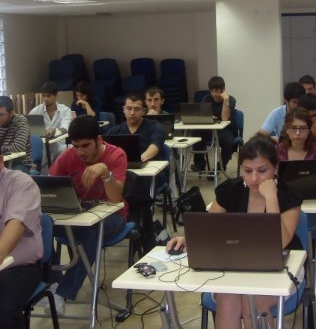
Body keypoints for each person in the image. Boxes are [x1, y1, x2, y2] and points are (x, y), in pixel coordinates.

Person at [166, 135, 302, 329]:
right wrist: (187, 238)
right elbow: (208, 227)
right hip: (235, 264)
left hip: (282, 266)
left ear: (276, 168)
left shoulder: (289, 195)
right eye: (247, 170)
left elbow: (280, 242)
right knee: (227, 299)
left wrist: (272, 198)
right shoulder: (231, 190)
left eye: (262, 170)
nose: (254, 178)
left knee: (253, 302)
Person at [45, 115, 128, 315]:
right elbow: (49, 187)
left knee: (94, 230)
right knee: (40, 226)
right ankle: (53, 283)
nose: (80, 152)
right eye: (76, 146)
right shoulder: (67, 156)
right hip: (78, 216)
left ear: (99, 140)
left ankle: (63, 292)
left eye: (85, 146)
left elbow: (116, 198)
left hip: (113, 216)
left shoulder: (116, 155)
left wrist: (105, 173)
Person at [0, 156, 43, 328]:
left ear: (0, 160)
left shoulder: (21, 184)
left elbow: (15, 225)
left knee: (4, 313)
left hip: (18, 267)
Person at [106, 92, 166, 184]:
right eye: (129, 108)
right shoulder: (114, 131)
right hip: (122, 173)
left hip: (150, 175)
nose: (132, 113)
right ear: (124, 109)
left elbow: (155, 145)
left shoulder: (155, 126)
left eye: (137, 109)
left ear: (143, 110)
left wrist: (142, 158)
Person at [192, 76, 237, 172]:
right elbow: (203, 116)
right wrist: (208, 117)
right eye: (211, 91)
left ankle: (220, 166)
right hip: (209, 129)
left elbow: (225, 118)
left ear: (223, 90)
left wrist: (225, 100)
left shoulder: (231, 99)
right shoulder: (206, 99)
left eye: (216, 90)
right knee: (195, 132)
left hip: (225, 130)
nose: (214, 94)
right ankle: (200, 163)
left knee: (228, 141)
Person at [30, 81, 72, 161]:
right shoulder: (35, 111)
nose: (45, 99)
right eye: (43, 96)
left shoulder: (65, 110)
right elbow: (31, 131)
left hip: (60, 147)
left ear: (56, 95)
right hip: (42, 149)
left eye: (49, 96)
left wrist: (54, 130)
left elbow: (65, 128)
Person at [0, 96, 33, 173]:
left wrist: (1, 149)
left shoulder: (20, 121)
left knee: (9, 176)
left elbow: (19, 147)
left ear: (11, 113)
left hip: (20, 162)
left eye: (1, 115)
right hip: (3, 161)